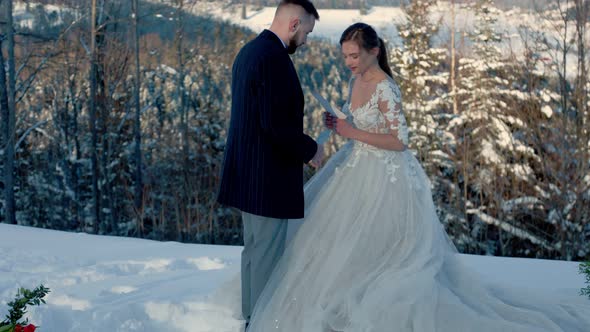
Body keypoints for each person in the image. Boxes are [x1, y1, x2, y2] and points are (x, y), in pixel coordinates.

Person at [245, 22, 590, 331]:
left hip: (385, 176)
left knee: (382, 246)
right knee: (337, 242)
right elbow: (357, 121)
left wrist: (351, 131)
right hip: (354, 168)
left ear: (374, 52)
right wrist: (337, 124)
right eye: (345, 56)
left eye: (354, 55)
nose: (348, 62)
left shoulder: (386, 88)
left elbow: (399, 141)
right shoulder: (355, 80)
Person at [217, 0, 323, 328]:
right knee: (265, 256)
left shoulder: (251, 51)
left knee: (254, 251)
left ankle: (251, 317)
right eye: (306, 32)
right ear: (293, 25)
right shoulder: (272, 59)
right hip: (267, 177)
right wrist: (311, 150)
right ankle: (259, 323)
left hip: (248, 174)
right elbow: (275, 124)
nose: (305, 40)